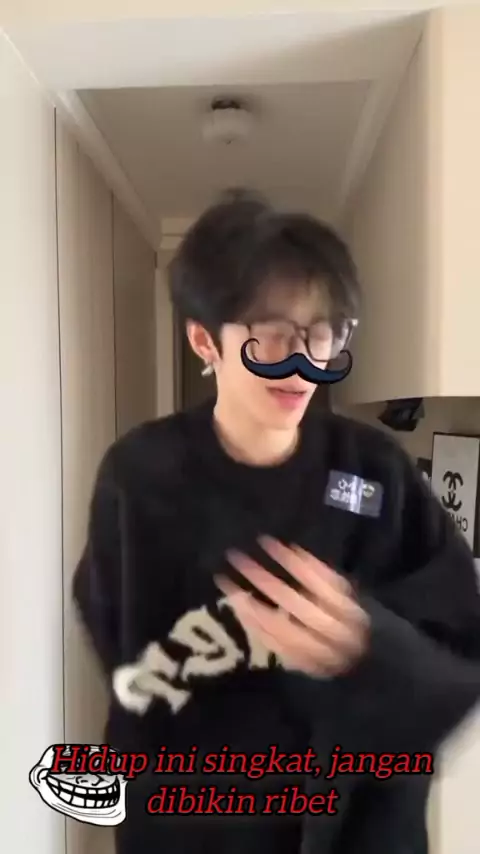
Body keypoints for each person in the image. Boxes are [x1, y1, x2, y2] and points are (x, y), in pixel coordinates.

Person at [73, 192, 480, 854]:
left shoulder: (376, 471)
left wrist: (369, 648)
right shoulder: (140, 478)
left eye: (321, 334)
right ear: (205, 340)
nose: (302, 362)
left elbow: (461, 666)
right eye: (270, 334)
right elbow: (132, 683)